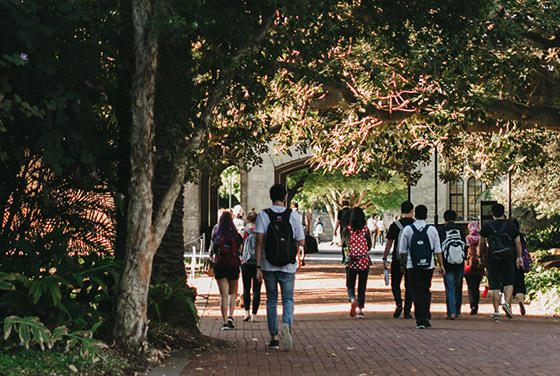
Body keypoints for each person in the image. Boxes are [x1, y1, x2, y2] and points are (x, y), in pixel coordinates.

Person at [255, 184, 305, 350]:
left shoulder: (263, 215)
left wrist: (258, 266)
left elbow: (259, 241)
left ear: (271, 197)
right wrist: (291, 250)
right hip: (288, 266)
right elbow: (301, 240)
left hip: (268, 265)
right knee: (288, 299)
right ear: (285, 197)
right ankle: (287, 325)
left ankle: (273, 337)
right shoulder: (293, 215)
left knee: (271, 300)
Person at [399, 204, 445, 329]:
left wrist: (403, 264)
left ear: (414, 213)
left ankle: (420, 318)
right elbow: (437, 249)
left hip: (412, 265)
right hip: (428, 265)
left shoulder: (408, 229)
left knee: (416, 290)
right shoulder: (432, 229)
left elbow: (402, 249)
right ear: (426, 215)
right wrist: (441, 265)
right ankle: (425, 315)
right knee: (426, 289)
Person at [478, 203, 524, 320]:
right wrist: (519, 257)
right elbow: (518, 242)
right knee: (509, 282)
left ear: (492, 213)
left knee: (494, 285)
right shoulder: (511, 226)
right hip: (508, 258)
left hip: (493, 258)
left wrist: (481, 256)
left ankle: (496, 310)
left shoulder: (487, 226)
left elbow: (481, 242)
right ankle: (507, 304)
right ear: (503, 213)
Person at [210, 211, 243, 331]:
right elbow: (240, 249)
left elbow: (213, 248)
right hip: (233, 265)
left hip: (220, 266)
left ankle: (224, 322)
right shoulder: (235, 234)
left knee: (223, 295)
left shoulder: (216, 233)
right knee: (232, 293)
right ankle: (230, 316)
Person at [382, 201, 414, 319]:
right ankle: (407, 310)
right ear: (411, 211)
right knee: (409, 285)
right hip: (411, 260)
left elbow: (389, 243)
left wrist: (385, 257)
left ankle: (398, 303)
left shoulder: (395, 225)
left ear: (401, 211)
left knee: (396, 283)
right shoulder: (415, 225)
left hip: (397, 259)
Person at [438, 209, 467, 319]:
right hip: (459, 263)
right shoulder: (461, 230)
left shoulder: (442, 230)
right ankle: (458, 310)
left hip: (447, 263)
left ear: (444, 219)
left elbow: (439, 247)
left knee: (449, 287)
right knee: (458, 287)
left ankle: (451, 312)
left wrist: (440, 264)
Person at [345, 207, 372, 318]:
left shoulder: (347, 230)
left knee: (350, 284)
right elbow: (369, 246)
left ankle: (352, 300)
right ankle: (360, 309)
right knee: (362, 285)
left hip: (351, 261)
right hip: (364, 261)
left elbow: (345, 245)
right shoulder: (366, 230)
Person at [241, 209, 261, 322]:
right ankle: (254, 315)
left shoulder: (245, 232)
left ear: (247, 220)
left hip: (246, 262)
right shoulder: (261, 232)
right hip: (258, 263)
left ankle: (246, 312)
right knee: (257, 290)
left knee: (246, 288)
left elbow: (241, 247)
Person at [464, 222, 485, 315]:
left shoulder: (467, 239)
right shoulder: (481, 238)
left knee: (470, 287)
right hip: (479, 266)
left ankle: (472, 305)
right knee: (476, 286)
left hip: (469, 266)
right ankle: (476, 304)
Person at [509, 217, 528, 316]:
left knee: (508, 283)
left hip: (508, 261)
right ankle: (520, 300)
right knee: (520, 283)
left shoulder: (507, 235)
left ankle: (509, 307)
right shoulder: (522, 236)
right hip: (519, 262)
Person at [291, 201, 309, 265]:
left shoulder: (292, 213)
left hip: (295, 229)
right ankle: (303, 258)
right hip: (303, 228)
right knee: (304, 245)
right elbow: (307, 221)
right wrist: (308, 229)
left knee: (297, 245)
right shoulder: (303, 212)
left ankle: (298, 261)